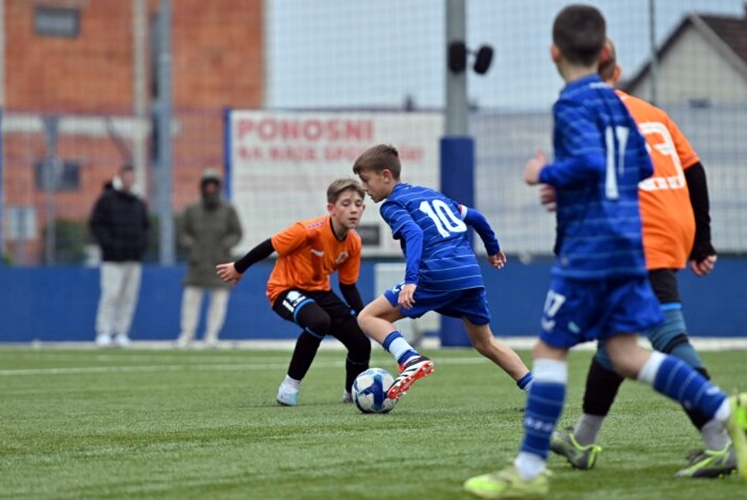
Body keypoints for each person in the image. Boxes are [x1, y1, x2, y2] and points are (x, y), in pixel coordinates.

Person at [463, 5, 747, 499]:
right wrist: (587, 188)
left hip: (591, 248)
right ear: (603, 55)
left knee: (549, 349)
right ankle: (727, 412)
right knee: (625, 354)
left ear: (554, 53)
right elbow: (640, 166)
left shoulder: (572, 103)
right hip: (629, 243)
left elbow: (592, 163)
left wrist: (544, 174)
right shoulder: (620, 103)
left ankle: (529, 470)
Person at [548, 38, 730, 478]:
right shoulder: (653, 113)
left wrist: (565, 245)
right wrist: (701, 241)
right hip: (671, 224)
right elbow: (694, 169)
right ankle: (583, 441)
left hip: (634, 231)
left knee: (665, 333)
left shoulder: (582, 113)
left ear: (560, 59)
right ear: (617, 70)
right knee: (615, 339)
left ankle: (722, 434)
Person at [352, 144, 533, 401]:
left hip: (438, 272)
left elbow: (414, 234)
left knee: (368, 317)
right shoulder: (432, 195)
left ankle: (409, 358)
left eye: (366, 180)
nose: (364, 187)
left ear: (386, 175)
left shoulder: (392, 205)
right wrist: (493, 249)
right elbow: (476, 217)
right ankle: (536, 391)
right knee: (485, 343)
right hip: (469, 273)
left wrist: (411, 281)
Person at [215, 178, 371, 406]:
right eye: (346, 204)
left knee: (361, 343)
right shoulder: (307, 231)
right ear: (331, 209)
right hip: (285, 289)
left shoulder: (354, 242)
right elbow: (270, 245)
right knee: (319, 322)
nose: (353, 209)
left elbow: (348, 285)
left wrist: (364, 317)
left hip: (320, 292)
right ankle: (289, 386)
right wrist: (238, 268)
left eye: (358, 204)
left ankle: (353, 394)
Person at [176, 168, 243, 348]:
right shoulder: (192, 209)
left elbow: (237, 233)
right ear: (203, 187)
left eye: (214, 185)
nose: (210, 189)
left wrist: (225, 245)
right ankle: (187, 335)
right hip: (197, 263)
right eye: (208, 185)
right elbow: (183, 233)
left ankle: (211, 336)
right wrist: (190, 244)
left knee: (219, 300)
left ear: (218, 187)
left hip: (220, 263)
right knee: (191, 299)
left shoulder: (228, 210)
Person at [89, 164, 150, 348]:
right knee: (111, 294)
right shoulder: (107, 200)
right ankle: (104, 332)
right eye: (126, 176)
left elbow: (146, 227)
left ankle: (121, 332)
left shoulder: (137, 202)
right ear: (120, 177)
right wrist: (108, 244)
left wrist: (140, 247)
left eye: (132, 177)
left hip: (133, 258)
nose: (129, 180)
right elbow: (96, 224)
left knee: (129, 296)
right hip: (112, 258)